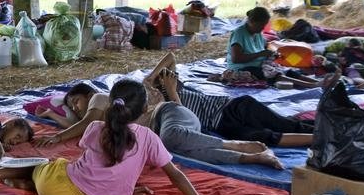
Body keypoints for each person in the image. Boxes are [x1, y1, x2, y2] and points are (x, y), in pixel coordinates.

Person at [0, 79, 220, 195]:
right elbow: (177, 176)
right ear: (145, 111)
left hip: (60, 189)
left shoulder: (95, 128)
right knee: (59, 170)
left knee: (43, 165)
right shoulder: (150, 138)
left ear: (107, 102)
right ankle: (27, 184)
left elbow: (86, 169)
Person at [34, 63, 283, 168]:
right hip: (179, 127)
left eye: (75, 101)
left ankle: (236, 144)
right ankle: (252, 157)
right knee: (177, 149)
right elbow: (80, 124)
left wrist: (59, 138)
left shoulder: (100, 99)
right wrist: (50, 115)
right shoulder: (111, 122)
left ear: (87, 94)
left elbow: (86, 123)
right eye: (71, 107)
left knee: (171, 138)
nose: (75, 108)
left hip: (171, 114)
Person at [147, 52, 314, 147]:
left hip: (233, 107)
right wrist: (169, 94)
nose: (152, 94)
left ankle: (327, 130)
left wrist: (149, 79)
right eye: (148, 97)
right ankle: (319, 139)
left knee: (286, 124)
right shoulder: (160, 112)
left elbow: (170, 57)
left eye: (150, 92)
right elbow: (184, 121)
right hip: (223, 126)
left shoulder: (167, 86)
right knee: (267, 138)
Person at [227, 6, 335, 89]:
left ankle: (317, 82)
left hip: (259, 64)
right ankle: (311, 85)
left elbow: (267, 46)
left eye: (264, 25)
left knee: (285, 70)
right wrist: (260, 54)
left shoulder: (257, 33)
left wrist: (273, 53)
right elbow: (236, 59)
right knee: (272, 74)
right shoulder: (239, 33)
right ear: (251, 21)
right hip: (242, 68)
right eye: (260, 25)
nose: (262, 28)